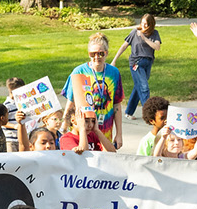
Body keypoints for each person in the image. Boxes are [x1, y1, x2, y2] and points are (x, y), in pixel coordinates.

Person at [63, 32, 123, 164]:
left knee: (106, 164)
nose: (97, 57)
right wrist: (64, 125)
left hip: (105, 129)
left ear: (106, 53)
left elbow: (117, 105)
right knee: (84, 162)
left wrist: (119, 133)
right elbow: (71, 102)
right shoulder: (79, 72)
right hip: (84, 129)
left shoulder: (114, 73)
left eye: (101, 53)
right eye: (92, 54)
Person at [110, 14, 162, 120]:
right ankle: (150, 114)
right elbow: (124, 46)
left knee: (138, 87)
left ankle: (128, 112)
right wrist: (114, 60)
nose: (144, 26)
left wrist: (144, 38)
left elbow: (157, 47)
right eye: (142, 23)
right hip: (136, 63)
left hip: (148, 62)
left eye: (146, 24)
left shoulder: (154, 33)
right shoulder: (134, 32)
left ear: (151, 25)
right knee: (144, 88)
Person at [1, 77, 24, 152]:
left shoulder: (22, 103)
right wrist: (14, 126)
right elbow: (3, 122)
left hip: (21, 138)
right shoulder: (7, 105)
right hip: (11, 139)